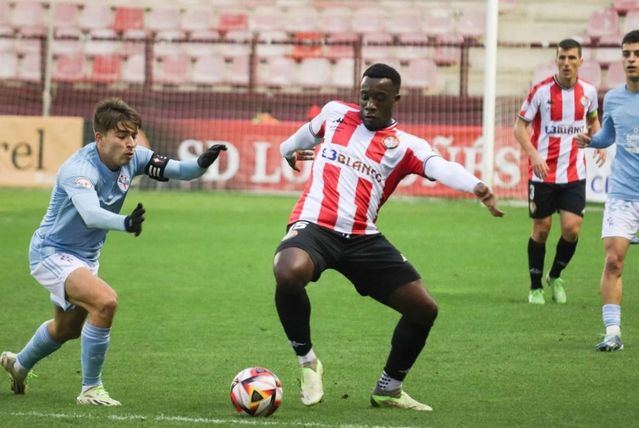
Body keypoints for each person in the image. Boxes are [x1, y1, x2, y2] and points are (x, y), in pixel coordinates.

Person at [273, 63, 503, 412]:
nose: (369, 104)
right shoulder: (334, 115)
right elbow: (291, 144)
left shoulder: (406, 146)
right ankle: (308, 362)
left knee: (423, 309)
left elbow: (440, 167)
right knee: (288, 270)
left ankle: (389, 389)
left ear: (395, 99)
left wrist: (476, 186)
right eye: (364, 96)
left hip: (363, 238)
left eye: (378, 98)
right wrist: (289, 152)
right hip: (315, 226)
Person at [0, 97, 226, 405]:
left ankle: (19, 364)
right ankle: (91, 389)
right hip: (51, 253)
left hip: (85, 258)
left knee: (66, 330)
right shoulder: (79, 170)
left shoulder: (135, 157)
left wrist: (203, 161)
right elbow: (91, 214)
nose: (131, 143)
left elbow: (182, 171)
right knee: (105, 303)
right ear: (99, 138)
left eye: (133, 135)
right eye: (122, 136)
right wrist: (126, 222)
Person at [514, 38, 606, 305]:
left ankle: (555, 276)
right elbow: (519, 128)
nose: (566, 63)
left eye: (571, 58)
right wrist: (533, 155)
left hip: (574, 173)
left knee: (572, 230)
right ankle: (535, 287)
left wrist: (598, 142)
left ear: (580, 61)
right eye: (562, 58)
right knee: (541, 229)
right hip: (542, 174)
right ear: (556, 60)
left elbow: (593, 120)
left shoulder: (588, 92)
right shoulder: (540, 92)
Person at [576, 30, 639, 351]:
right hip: (623, 194)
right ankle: (612, 332)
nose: (631, 60)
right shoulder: (613, 98)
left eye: (637, 54)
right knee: (613, 261)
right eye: (627, 54)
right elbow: (609, 136)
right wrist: (592, 141)